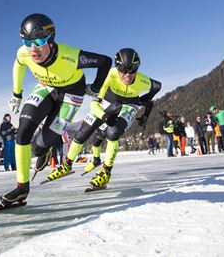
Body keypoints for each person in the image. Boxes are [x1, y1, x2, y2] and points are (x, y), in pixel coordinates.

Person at [0, 13, 111, 205]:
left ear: (51, 39)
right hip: (46, 86)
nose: (33, 49)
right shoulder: (23, 53)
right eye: (27, 42)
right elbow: (18, 65)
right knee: (23, 130)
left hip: (71, 95)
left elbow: (105, 62)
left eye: (39, 40)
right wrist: (17, 93)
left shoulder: (72, 56)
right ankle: (22, 187)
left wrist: (95, 88)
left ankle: (46, 149)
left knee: (39, 146)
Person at [44, 48, 161, 191]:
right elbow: (94, 103)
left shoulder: (144, 81)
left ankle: (106, 172)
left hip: (129, 104)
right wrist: (105, 116)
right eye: (123, 69)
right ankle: (67, 164)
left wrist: (144, 100)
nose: (128, 74)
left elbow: (157, 86)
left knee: (113, 132)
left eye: (133, 69)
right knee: (83, 132)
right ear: (117, 67)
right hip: (107, 102)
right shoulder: (111, 74)